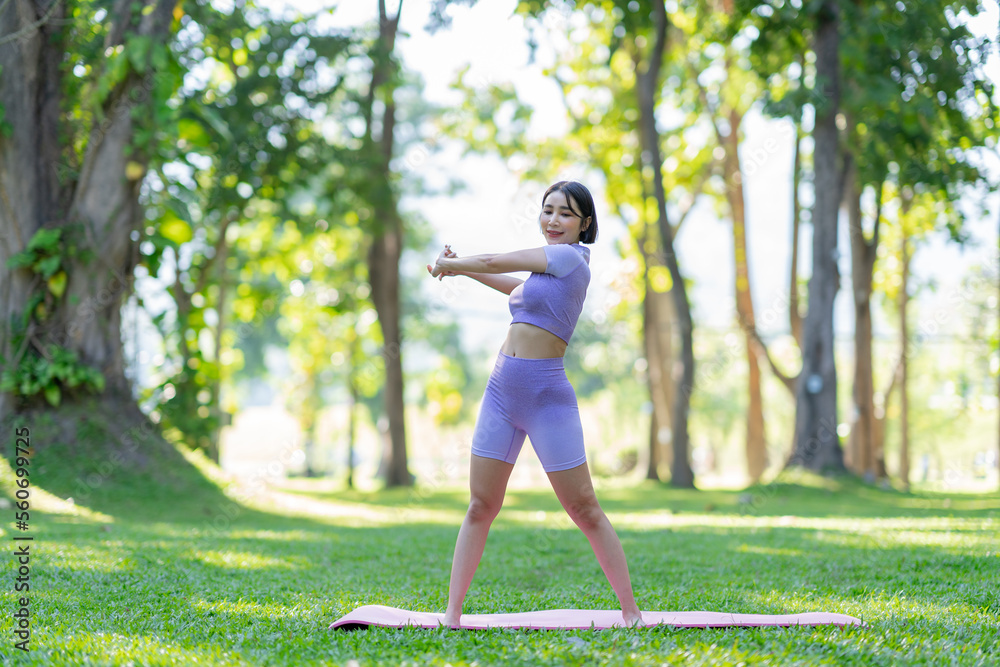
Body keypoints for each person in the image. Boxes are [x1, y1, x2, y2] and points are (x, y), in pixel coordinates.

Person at [427, 180, 645, 628]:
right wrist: (461, 271)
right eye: (547, 210)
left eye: (565, 213)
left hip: (547, 398)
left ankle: (631, 612)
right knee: (480, 505)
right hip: (501, 392)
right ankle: (452, 615)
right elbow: (510, 286)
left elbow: (494, 259)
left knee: (583, 507)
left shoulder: (568, 258)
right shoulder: (544, 274)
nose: (553, 220)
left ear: (585, 223)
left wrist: (453, 261)